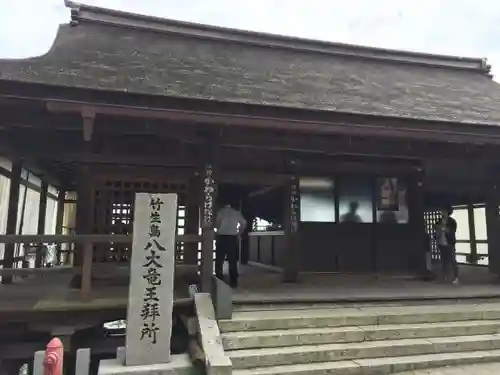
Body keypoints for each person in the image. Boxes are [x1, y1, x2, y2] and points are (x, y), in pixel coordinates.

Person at [214, 202, 247, 288]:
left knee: (219, 260)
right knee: (232, 260)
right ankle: (233, 281)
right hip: (232, 237)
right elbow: (243, 223)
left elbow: (217, 224)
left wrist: (218, 229)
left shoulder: (221, 212)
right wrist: (239, 232)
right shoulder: (236, 212)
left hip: (221, 237)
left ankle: (219, 280)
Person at [434, 205, 458, 284]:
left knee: (452, 260)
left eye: (443, 211)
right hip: (441, 242)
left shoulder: (452, 221)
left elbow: (451, 231)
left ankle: (455, 277)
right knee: (443, 261)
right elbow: (436, 230)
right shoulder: (439, 221)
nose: (442, 212)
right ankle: (444, 276)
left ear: (448, 212)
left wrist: (441, 228)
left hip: (449, 243)